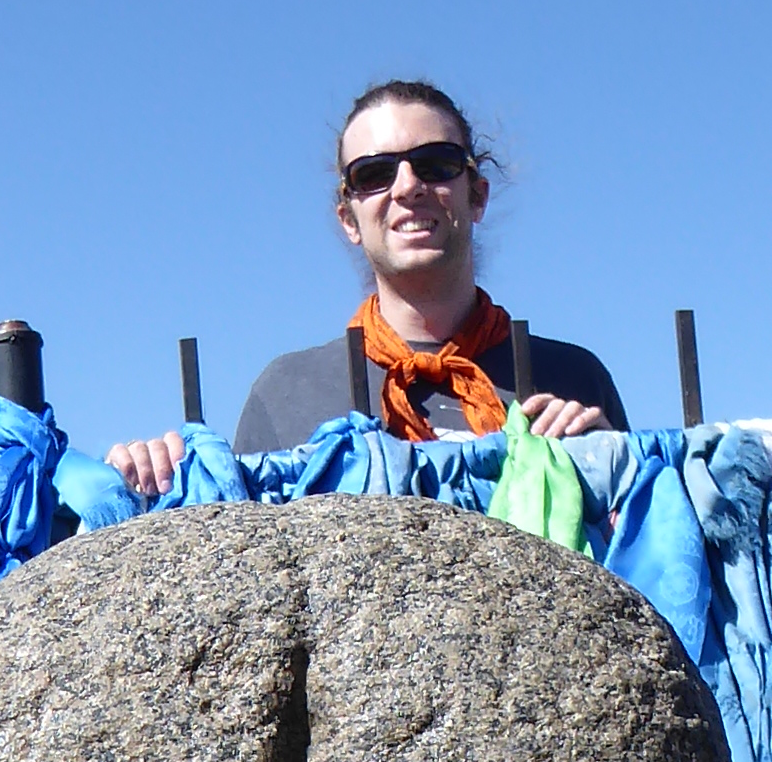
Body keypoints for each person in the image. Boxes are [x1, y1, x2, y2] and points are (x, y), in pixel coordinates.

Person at [107, 80, 627, 501]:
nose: (407, 186)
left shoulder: (572, 377)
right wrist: (148, 478)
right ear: (348, 219)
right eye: (374, 173)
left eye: (436, 164)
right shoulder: (287, 391)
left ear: (477, 196)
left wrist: (613, 470)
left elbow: (632, 557)